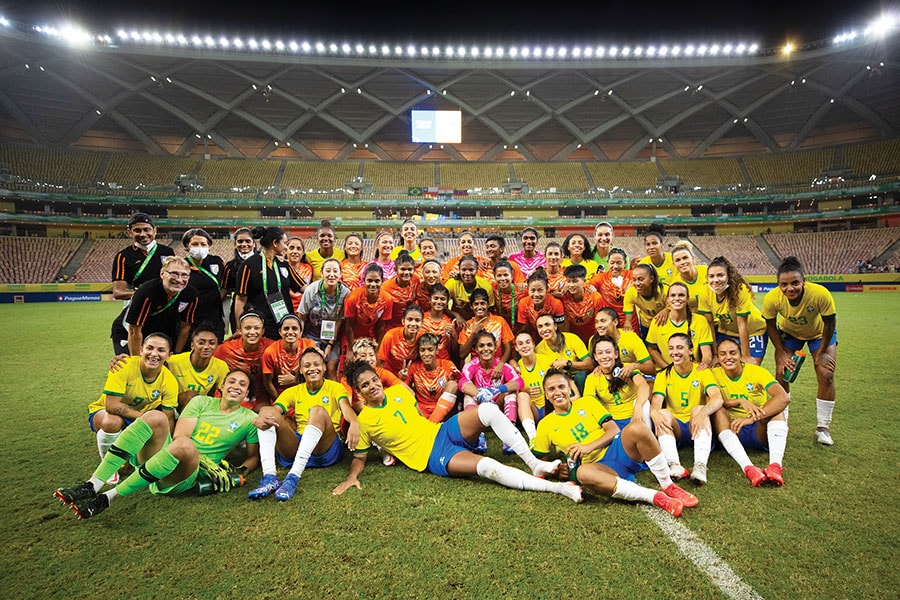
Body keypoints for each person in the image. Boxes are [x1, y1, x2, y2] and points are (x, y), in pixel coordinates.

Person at [333, 360, 581, 503]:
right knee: (487, 467)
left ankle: (534, 463)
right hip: (431, 455)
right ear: (359, 391)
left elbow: (418, 417)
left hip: (440, 430)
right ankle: (558, 489)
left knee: (489, 410)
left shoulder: (398, 392)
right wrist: (352, 476)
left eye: (374, 380)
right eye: (365, 385)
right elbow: (359, 458)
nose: (373, 386)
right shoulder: (363, 421)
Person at [56, 369, 261, 520]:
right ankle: (93, 484)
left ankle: (109, 497)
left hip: (187, 472)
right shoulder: (201, 402)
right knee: (155, 416)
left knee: (185, 448)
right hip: (167, 455)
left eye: (242, 385)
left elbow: (253, 457)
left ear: (247, 394)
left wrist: (239, 473)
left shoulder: (249, 419)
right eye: (232, 381)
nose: (236, 386)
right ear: (222, 386)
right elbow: (181, 435)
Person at [532, 369, 697, 517]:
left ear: (569, 389)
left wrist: (588, 446)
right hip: (600, 468)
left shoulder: (587, 402)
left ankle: (668, 485)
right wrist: (557, 470)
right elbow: (541, 464)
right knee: (583, 473)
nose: (557, 392)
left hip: (619, 450)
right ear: (546, 394)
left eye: (561, 387)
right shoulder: (545, 424)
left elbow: (613, 430)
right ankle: (654, 497)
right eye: (551, 389)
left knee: (638, 428)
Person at [246, 348, 353, 500]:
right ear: (301, 370)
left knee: (317, 411)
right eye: (307, 365)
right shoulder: (294, 391)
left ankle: (293, 478)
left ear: (323, 367)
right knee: (267, 412)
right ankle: (270, 477)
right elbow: (273, 411)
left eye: (317, 364)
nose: (312, 368)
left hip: (325, 449)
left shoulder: (335, 387)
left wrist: (354, 422)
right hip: (298, 446)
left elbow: (346, 409)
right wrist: (261, 417)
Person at [762, 256, 837, 446]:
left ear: (804, 281)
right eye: (784, 284)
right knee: (782, 373)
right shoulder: (772, 298)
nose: (790, 288)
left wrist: (821, 351)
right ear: (778, 284)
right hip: (790, 333)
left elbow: (829, 324)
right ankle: (782, 422)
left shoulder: (820, 294)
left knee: (826, 373)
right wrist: (780, 352)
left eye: (795, 283)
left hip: (820, 334)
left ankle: (822, 428)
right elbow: (770, 325)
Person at [87, 333, 179, 482]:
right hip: (105, 412)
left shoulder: (169, 381)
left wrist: (167, 449)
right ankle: (108, 467)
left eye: (161, 350)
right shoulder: (123, 366)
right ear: (141, 350)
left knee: (145, 454)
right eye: (150, 348)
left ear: (169, 355)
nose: (154, 354)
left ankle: (130, 454)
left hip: (138, 416)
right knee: (112, 422)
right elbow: (111, 406)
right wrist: (145, 418)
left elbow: (168, 418)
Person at [710, 338, 790, 486]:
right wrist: (738, 401)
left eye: (733, 353)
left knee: (776, 411)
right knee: (718, 411)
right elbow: (711, 401)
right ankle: (749, 468)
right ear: (718, 358)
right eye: (723, 354)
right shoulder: (713, 374)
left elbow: (783, 398)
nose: (728, 357)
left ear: (740, 355)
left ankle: (775, 466)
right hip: (732, 429)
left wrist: (752, 418)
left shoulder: (756, 371)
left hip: (758, 428)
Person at [649, 334, 724, 484]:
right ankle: (674, 465)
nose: (674, 352)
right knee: (662, 413)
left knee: (699, 409)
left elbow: (717, 397)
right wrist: (654, 413)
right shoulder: (664, 374)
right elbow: (657, 402)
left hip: (696, 425)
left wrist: (702, 413)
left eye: (679, 347)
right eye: (671, 348)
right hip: (675, 428)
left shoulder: (702, 371)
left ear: (690, 350)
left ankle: (700, 466)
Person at [110, 212, 175, 353]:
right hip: (137, 309)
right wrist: (143, 294)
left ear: (155, 230)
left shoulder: (168, 252)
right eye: (137, 230)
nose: (143, 234)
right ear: (129, 232)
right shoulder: (123, 256)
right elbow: (118, 292)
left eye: (147, 229)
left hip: (162, 311)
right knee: (133, 357)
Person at [459, 331, 523, 453]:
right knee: (468, 396)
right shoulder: (471, 365)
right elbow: (462, 382)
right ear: (476, 350)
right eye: (481, 346)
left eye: (489, 345)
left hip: (498, 405)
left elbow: (519, 382)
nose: (486, 349)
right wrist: (479, 394)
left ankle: (510, 437)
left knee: (510, 393)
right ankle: (477, 436)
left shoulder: (502, 365)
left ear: (495, 347)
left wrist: (496, 390)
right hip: (480, 409)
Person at [698, 256, 768, 366]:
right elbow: (710, 324)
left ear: (729, 276)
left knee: (752, 367)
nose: (716, 280)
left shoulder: (739, 290)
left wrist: (746, 356)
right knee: (720, 365)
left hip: (753, 331)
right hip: (727, 332)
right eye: (711, 276)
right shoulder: (704, 292)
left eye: (720, 275)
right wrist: (715, 355)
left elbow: (742, 324)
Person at [124, 256, 199, 356]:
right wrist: (136, 360)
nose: (179, 279)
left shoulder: (191, 294)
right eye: (174, 274)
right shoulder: (147, 292)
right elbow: (134, 330)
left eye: (184, 275)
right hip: (131, 332)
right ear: (162, 274)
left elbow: (185, 327)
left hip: (163, 331)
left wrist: (176, 354)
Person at [234, 226, 298, 341]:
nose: (286, 247)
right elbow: (240, 298)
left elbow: (303, 287)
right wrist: (239, 327)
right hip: (260, 326)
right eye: (284, 243)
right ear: (275, 243)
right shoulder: (248, 265)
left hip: (283, 324)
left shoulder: (284, 264)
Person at [583, 335, 651, 429]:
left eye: (608, 352)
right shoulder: (592, 378)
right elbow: (588, 402)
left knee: (646, 406)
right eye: (600, 353)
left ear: (616, 354)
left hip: (636, 414)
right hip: (614, 421)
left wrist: (638, 408)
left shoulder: (626, 368)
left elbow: (644, 386)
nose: (604, 356)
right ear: (595, 356)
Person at [298, 257, 350, 379]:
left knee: (331, 369)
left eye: (335, 271)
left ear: (340, 274)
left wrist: (329, 345)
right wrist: (300, 343)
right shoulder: (311, 290)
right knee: (315, 365)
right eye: (328, 271)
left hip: (332, 337)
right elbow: (302, 317)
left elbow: (339, 321)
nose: (331, 274)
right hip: (311, 335)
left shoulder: (345, 293)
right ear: (321, 273)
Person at [645, 281, 714, 370]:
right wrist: (667, 368)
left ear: (688, 298)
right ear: (668, 299)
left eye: (681, 295)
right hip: (668, 370)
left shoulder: (700, 320)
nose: (677, 298)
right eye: (673, 295)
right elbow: (652, 349)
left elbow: (707, 353)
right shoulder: (657, 321)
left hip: (692, 369)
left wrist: (704, 363)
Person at [214, 312, 275, 409]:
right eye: (247, 328)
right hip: (232, 395)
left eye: (256, 328)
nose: (252, 332)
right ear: (240, 331)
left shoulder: (271, 348)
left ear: (263, 331)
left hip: (259, 398)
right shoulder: (226, 349)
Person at [514, 331, 567, 442]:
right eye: (520, 343)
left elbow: (562, 381)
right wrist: (525, 390)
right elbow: (513, 392)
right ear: (516, 348)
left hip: (549, 407)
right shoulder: (516, 367)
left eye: (528, 342)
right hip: (532, 410)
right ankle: (533, 438)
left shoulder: (546, 361)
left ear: (533, 344)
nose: (525, 346)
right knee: (522, 395)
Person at [165, 323, 230, 411]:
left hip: (201, 407)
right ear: (192, 345)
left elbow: (226, 392)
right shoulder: (173, 361)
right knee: (192, 396)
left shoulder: (221, 366)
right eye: (201, 343)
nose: (206, 347)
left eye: (211, 343)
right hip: (174, 404)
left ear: (216, 346)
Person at [182, 228, 226, 341]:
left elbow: (224, 286)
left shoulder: (217, 261)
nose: (199, 247)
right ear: (187, 246)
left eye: (203, 244)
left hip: (214, 318)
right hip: (190, 319)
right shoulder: (182, 264)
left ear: (209, 245)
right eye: (195, 244)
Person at [406, 333, 460, 422]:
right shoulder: (414, 367)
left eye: (430, 350)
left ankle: (430, 424)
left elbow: (455, 389)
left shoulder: (447, 365)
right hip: (420, 412)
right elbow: (404, 390)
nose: (426, 354)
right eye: (422, 350)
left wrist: (457, 378)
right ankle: (430, 425)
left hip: (442, 411)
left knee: (453, 384)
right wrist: (402, 378)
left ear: (437, 351)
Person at [261, 315, 316, 401]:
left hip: (306, 394)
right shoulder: (270, 352)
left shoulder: (309, 346)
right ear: (280, 332)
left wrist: (295, 380)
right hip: (281, 396)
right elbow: (267, 382)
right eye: (286, 328)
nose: (290, 332)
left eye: (294, 328)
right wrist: (280, 404)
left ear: (301, 332)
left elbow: (315, 376)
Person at [589, 307, 656, 378]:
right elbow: (593, 366)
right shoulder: (593, 340)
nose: (599, 325)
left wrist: (634, 366)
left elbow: (651, 368)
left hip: (632, 377)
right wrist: (598, 368)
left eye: (603, 321)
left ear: (615, 322)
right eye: (596, 322)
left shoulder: (631, 337)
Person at [534, 313, 592, 392]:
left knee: (580, 377)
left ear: (555, 326)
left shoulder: (572, 338)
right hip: (561, 382)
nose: (544, 329)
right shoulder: (538, 350)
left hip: (580, 377)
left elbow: (590, 364)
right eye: (540, 327)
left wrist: (567, 363)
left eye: (547, 325)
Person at [458, 288, 514, 365]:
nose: (479, 307)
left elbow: (508, 348)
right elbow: (462, 354)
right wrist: (473, 333)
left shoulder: (499, 321)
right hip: (476, 368)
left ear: (488, 305)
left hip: (497, 365)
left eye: (482, 303)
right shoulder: (467, 325)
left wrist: (501, 364)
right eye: (476, 304)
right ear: (471, 306)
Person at [343, 262, 393, 348]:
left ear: (382, 281)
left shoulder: (387, 299)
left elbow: (381, 326)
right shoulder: (353, 298)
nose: (373, 285)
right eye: (369, 281)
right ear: (364, 280)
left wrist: (378, 348)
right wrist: (351, 349)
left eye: (377, 281)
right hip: (352, 334)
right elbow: (348, 325)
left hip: (371, 334)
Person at [560, 264, 607, 342]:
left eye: (575, 281)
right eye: (568, 281)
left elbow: (602, 321)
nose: (571, 285)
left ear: (584, 281)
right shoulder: (563, 297)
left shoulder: (595, 297)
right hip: (573, 339)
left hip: (593, 338)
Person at [222, 227, 256, 335]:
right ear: (235, 244)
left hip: (259, 306)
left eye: (248, 241)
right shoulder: (230, 266)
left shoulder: (263, 262)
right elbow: (224, 289)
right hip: (238, 307)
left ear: (254, 244)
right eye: (240, 241)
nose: (244, 244)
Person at [622, 263, 669, 340]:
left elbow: (674, 307)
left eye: (641, 279)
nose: (637, 283)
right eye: (634, 280)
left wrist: (667, 310)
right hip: (646, 324)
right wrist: (627, 326)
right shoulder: (631, 293)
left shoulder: (664, 291)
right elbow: (628, 317)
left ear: (651, 279)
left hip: (664, 323)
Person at [376, 305, 424, 379]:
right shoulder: (390, 336)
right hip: (390, 375)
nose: (413, 324)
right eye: (410, 319)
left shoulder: (423, 338)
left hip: (411, 376)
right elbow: (380, 363)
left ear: (422, 323)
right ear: (403, 321)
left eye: (417, 320)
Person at [588, 248, 631, 327]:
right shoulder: (601, 278)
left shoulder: (632, 276)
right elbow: (587, 286)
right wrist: (592, 289)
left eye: (619, 263)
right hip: (609, 322)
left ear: (625, 263)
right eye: (612, 263)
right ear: (608, 263)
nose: (615, 266)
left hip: (629, 321)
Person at [516, 269, 565, 337]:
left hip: (553, 335)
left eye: (540, 290)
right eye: (533, 290)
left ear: (547, 289)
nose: (536, 294)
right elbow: (524, 329)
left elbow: (561, 329)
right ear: (527, 290)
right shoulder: (523, 303)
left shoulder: (556, 304)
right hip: (534, 336)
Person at [444, 255, 494, 321]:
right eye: (464, 270)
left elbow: (490, 309)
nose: (467, 273)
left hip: (480, 320)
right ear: (459, 270)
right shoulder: (452, 284)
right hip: (458, 321)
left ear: (476, 270)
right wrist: (456, 315)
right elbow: (442, 306)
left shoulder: (485, 286)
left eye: (471, 270)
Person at [418, 283, 459, 363]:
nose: (439, 302)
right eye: (436, 298)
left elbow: (456, 352)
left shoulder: (450, 323)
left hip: (443, 364)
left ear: (447, 302)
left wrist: (454, 335)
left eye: (442, 299)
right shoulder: (421, 320)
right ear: (429, 299)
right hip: (423, 364)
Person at [382, 251, 420, 328]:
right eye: (403, 269)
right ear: (395, 270)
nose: (406, 272)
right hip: (392, 326)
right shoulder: (386, 288)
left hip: (411, 324)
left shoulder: (416, 280)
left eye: (410, 269)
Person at [670, 240, 707, 311]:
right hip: (695, 321)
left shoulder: (707, 272)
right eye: (678, 260)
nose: (682, 262)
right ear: (674, 264)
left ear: (693, 258)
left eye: (685, 258)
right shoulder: (676, 285)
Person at [491, 260, 527, 331]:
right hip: (500, 328)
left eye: (506, 275)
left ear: (512, 275)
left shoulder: (522, 291)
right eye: (499, 275)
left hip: (521, 328)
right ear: (494, 276)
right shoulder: (492, 289)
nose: (503, 279)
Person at [286, 236, 313, 312]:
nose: (295, 251)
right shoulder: (281, 267)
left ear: (303, 252)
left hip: (304, 309)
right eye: (291, 248)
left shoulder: (308, 268)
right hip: (286, 308)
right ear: (286, 250)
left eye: (299, 249)